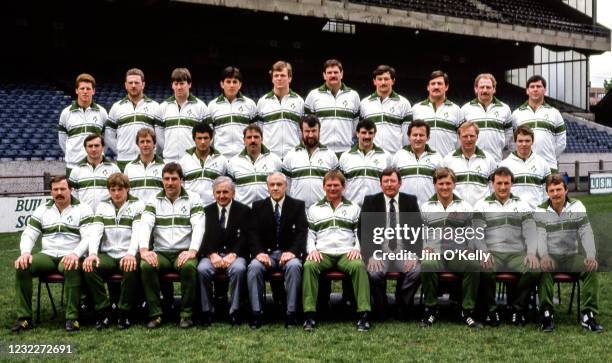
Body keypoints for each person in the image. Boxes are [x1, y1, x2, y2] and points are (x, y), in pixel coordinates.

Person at [13, 175, 94, 332]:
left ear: (70, 190)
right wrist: (25, 253)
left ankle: (72, 318)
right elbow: (29, 234)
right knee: (22, 266)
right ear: (51, 192)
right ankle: (24, 318)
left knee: (71, 266)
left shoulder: (83, 209)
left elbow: (88, 238)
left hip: (70, 255)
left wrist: (75, 254)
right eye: (55, 189)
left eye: (63, 189)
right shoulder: (43, 209)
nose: (59, 192)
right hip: (48, 255)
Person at [137, 163, 205, 329]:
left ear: (181, 180)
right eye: (166, 179)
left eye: (174, 179)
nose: (170, 183)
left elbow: (199, 225)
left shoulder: (193, 198)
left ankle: (186, 315)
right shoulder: (154, 200)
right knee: (146, 265)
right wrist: (144, 250)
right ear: (162, 180)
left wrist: (192, 251)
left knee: (189, 267)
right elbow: (145, 224)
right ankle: (156, 314)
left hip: (184, 252)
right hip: (162, 252)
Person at [302, 170, 371, 332]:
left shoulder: (353, 208)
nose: (332, 188)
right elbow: (310, 234)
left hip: (346, 253)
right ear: (323, 186)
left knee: (359, 266)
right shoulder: (314, 209)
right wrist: (312, 250)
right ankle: (310, 315)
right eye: (329, 185)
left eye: (336, 185)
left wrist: (357, 248)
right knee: (309, 266)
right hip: (323, 253)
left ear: (343, 187)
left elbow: (359, 232)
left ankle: (363, 315)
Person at [535, 174, 603, 332]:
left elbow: (586, 233)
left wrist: (590, 255)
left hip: (571, 256)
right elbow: (540, 236)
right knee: (543, 269)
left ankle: (588, 315)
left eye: (558, 189)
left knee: (591, 268)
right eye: (551, 190)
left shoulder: (577, 206)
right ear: (547, 193)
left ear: (566, 189)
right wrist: (544, 255)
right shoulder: (540, 209)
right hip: (551, 256)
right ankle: (547, 314)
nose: (555, 194)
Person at [473, 167, 539, 327]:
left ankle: (517, 309)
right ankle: (491, 310)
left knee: (534, 269)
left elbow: (531, 231)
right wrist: (483, 253)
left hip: (516, 253)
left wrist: (531, 252)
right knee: (482, 268)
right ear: (492, 184)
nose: (503, 187)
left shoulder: (522, 204)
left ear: (512, 184)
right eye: (499, 183)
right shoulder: (482, 204)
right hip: (492, 253)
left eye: (506, 183)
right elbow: (476, 234)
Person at [419, 167, 480, 328]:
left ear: (454, 184)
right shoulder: (426, 207)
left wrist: (470, 247)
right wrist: (424, 247)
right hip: (435, 252)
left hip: (457, 253)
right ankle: (431, 309)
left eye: (448, 183)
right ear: (435, 184)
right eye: (441, 183)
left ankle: (466, 311)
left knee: (473, 264)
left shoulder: (465, 206)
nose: (444, 187)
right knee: (427, 264)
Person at [83, 173, 144, 330]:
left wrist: (131, 253)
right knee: (90, 267)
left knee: (131, 267)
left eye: (120, 189)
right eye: (113, 189)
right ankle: (104, 311)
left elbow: (138, 232)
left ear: (127, 189)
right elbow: (96, 231)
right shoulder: (102, 206)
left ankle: (124, 312)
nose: (116, 193)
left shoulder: (138, 204)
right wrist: (93, 254)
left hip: (128, 252)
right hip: (108, 255)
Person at [359, 167, 422, 319]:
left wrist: (414, 255)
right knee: (374, 273)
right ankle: (381, 308)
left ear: (400, 183)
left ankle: (402, 305)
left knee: (417, 271)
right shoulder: (371, 202)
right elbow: (363, 232)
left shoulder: (410, 201)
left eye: (392, 181)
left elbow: (418, 231)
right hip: (380, 252)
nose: (389, 184)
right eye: (385, 181)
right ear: (380, 185)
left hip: (403, 252)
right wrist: (372, 255)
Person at [247, 172, 307, 328]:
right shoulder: (258, 206)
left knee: (294, 266)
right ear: (267, 187)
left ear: (285, 186)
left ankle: (291, 313)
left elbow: (302, 233)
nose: (275, 188)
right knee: (253, 267)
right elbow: (252, 233)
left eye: (279, 184)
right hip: (266, 254)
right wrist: (259, 253)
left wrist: (293, 252)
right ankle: (257, 313)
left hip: (288, 254)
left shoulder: (297, 205)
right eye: (272, 185)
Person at [197, 176, 251, 326]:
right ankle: (207, 311)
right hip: (212, 255)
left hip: (235, 255)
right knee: (202, 269)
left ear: (233, 193)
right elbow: (202, 237)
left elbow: (246, 237)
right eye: (218, 192)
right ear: (213, 194)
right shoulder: (205, 212)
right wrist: (211, 254)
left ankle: (235, 311)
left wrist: (233, 254)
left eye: (226, 192)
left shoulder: (244, 211)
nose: (222, 196)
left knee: (239, 269)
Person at [105, 68, 161, 171]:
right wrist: (120, 150)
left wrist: (153, 151)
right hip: (123, 160)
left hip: (148, 160)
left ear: (143, 84)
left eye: (136, 82)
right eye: (130, 83)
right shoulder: (117, 107)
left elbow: (160, 134)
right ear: (126, 85)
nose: (133, 85)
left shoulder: (155, 106)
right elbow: (108, 133)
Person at [304, 59, 360, 155]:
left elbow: (355, 126)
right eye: (329, 73)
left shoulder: (353, 95)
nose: (333, 75)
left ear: (341, 74)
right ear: (324, 75)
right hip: (321, 151)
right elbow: (307, 125)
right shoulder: (313, 95)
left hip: (346, 151)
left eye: (336, 72)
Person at [282, 115, 339, 209]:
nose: (311, 135)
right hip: (297, 210)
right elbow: (286, 187)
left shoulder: (331, 156)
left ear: (319, 131)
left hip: (323, 209)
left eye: (314, 131)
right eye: (307, 131)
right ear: (301, 132)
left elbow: (336, 186)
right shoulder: (290, 156)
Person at [512, 75, 566, 172]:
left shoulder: (554, 113)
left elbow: (561, 142)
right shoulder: (516, 114)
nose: (535, 89)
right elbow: (512, 141)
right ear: (527, 91)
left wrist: (550, 157)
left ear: (544, 90)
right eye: (532, 87)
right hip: (524, 166)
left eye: (538, 86)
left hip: (549, 166)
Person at [157, 68, 210, 162]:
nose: (179, 87)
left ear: (189, 84)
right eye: (176, 84)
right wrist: (168, 148)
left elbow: (209, 133)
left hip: (193, 160)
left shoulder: (201, 107)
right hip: (169, 160)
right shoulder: (163, 107)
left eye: (182, 83)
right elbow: (159, 135)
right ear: (172, 85)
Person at [58, 73, 107, 174]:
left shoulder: (102, 112)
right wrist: (72, 155)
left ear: (93, 91)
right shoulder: (66, 113)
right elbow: (62, 140)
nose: (85, 92)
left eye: (88, 89)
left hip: (96, 165)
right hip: (73, 165)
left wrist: (99, 154)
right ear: (76, 90)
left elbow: (106, 138)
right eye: (82, 88)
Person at [359, 65, 412, 154]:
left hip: (395, 155)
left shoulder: (404, 103)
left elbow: (407, 135)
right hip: (371, 155)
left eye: (386, 79)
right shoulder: (364, 103)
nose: (383, 82)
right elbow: (360, 133)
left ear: (393, 81)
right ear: (374, 81)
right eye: (380, 79)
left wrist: (404, 154)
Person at [441, 122, 497, 206]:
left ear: (477, 137)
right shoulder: (448, 160)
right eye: (465, 136)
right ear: (459, 137)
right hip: (456, 211)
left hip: (481, 211)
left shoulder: (489, 159)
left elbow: (494, 188)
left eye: (472, 136)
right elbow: (441, 187)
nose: (469, 139)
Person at [256, 61, 304, 158]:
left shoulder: (299, 101)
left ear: (289, 78)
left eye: (282, 75)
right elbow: (259, 131)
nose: (279, 78)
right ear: (272, 78)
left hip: (294, 155)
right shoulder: (262, 102)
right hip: (269, 156)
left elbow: (302, 131)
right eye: (276, 75)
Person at [461, 73, 513, 163]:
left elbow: (509, 134)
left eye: (488, 87)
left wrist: (500, 146)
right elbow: (460, 135)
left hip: (496, 161)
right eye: (482, 87)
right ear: (476, 89)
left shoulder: (505, 109)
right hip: (472, 161)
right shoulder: (465, 109)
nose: (485, 90)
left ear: (494, 89)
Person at [227, 124, 282, 206]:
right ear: (244, 140)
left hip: (268, 210)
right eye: (249, 137)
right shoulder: (233, 162)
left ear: (262, 139)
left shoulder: (275, 160)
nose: (253, 140)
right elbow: (230, 190)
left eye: (256, 137)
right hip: (244, 211)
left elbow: (282, 187)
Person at [209, 66, 258, 158]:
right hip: (220, 157)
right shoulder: (212, 106)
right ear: (222, 84)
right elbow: (209, 136)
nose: (231, 85)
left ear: (240, 85)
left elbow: (255, 134)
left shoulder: (250, 104)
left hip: (243, 156)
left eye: (235, 82)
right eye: (228, 81)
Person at [411, 70, 463, 157]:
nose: (436, 86)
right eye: (433, 84)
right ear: (428, 87)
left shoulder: (456, 110)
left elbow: (461, 139)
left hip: (447, 163)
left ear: (446, 87)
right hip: (423, 163)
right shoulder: (416, 109)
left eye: (439, 83)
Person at [392, 119, 443, 206]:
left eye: (421, 135)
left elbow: (442, 185)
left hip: (430, 208)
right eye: (415, 135)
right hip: (405, 209)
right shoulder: (399, 156)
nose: (418, 138)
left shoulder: (436, 157)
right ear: (408, 137)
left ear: (428, 137)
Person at [339, 119, 389, 206]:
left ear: (374, 134)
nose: (367, 136)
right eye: (363, 132)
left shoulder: (386, 157)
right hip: (351, 208)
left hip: (376, 209)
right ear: (357, 134)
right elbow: (341, 186)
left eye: (370, 133)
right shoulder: (345, 157)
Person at [499, 125, 551, 210]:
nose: (524, 144)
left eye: (527, 141)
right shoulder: (504, 165)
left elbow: (547, 194)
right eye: (520, 141)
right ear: (515, 142)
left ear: (532, 141)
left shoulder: (543, 164)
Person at [179, 122, 228, 207]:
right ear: (194, 139)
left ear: (211, 138)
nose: (202, 142)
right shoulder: (184, 161)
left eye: (206, 138)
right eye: (199, 138)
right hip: (191, 208)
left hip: (214, 208)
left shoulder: (222, 160)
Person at [69, 134, 120, 211]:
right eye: (90, 146)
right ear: (85, 148)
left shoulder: (113, 169)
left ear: (103, 147)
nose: (93, 149)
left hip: (107, 216)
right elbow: (73, 197)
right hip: (84, 216)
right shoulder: (76, 170)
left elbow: (119, 193)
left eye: (96, 146)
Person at [124, 128, 165, 202]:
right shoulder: (129, 167)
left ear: (154, 144)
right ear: (138, 144)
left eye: (148, 141)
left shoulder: (164, 166)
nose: (145, 144)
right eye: (142, 142)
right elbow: (125, 193)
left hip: (156, 211)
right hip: (135, 212)